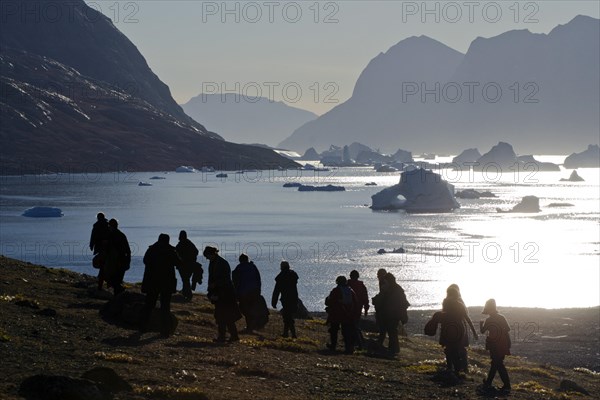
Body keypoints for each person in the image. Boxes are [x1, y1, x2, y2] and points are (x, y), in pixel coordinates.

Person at [140, 233, 182, 337]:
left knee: (149, 305)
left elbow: (145, 261)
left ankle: (143, 326)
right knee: (165, 307)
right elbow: (179, 263)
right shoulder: (171, 251)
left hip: (152, 282)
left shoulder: (151, 249)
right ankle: (165, 330)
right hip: (166, 283)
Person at [204, 246, 240, 342]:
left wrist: (215, 284)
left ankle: (229, 336)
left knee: (225, 315)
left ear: (212, 254)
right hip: (220, 292)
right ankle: (226, 336)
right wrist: (210, 290)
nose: (207, 258)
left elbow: (226, 279)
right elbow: (211, 278)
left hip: (226, 293)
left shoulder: (222, 263)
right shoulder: (213, 262)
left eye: (207, 256)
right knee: (221, 315)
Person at [440, 286, 478, 375]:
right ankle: (455, 368)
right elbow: (466, 317)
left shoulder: (448, 303)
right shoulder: (452, 303)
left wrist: (474, 331)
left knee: (454, 349)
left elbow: (466, 317)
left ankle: (457, 368)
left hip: (454, 329)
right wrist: (474, 331)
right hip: (453, 329)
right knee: (452, 349)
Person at [480, 299, 511, 393]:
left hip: (493, 344)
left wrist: (481, 324)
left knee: (498, 364)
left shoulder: (488, 320)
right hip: (503, 343)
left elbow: (482, 331)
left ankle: (507, 385)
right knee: (496, 363)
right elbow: (508, 329)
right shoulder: (501, 317)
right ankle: (489, 382)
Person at [374, 273, 409, 355]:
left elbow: (403, 303)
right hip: (389, 314)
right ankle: (392, 348)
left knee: (391, 331)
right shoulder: (396, 289)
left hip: (391, 314)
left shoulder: (393, 289)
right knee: (390, 331)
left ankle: (393, 349)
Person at [325, 276, 360, 354]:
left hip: (336, 313)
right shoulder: (351, 291)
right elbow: (356, 303)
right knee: (347, 331)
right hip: (348, 314)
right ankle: (348, 347)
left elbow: (329, 301)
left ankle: (333, 346)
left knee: (334, 330)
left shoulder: (336, 290)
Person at [232, 253, 262, 333]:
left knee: (244, 309)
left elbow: (235, 282)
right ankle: (251, 326)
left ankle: (250, 326)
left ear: (240, 260)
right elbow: (258, 279)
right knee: (251, 308)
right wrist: (258, 291)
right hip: (254, 292)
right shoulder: (253, 267)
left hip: (243, 292)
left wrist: (236, 293)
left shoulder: (238, 268)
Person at [271, 261, 299, 338]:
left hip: (286, 299)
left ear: (281, 267)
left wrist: (274, 302)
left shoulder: (281, 277)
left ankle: (292, 334)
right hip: (294, 298)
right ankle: (286, 333)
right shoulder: (293, 275)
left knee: (287, 316)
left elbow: (276, 291)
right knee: (288, 316)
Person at [104, 218, 131, 295]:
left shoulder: (110, 236)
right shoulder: (121, 235)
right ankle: (118, 293)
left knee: (112, 278)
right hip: (121, 260)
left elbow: (107, 249)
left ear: (110, 226)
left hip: (114, 261)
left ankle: (118, 292)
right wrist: (128, 261)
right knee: (117, 279)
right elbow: (128, 250)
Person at [175, 230, 199, 301]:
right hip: (190, 265)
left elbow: (177, 254)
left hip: (183, 266)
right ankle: (186, 293)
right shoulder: (189, 243)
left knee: (185, 280)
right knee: (186, 280)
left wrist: (184, 259)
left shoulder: (180, 245)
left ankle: (188, 295)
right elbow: (196, 252)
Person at [348, 270, 369, 349]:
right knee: (355, 325)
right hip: (358, 308)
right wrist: (366, 308)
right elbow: (365, 298)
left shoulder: (347, 284)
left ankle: (358, 343)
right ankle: (359, 343)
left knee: (350, 326)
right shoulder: (361, 285)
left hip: (348, 308)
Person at [89, 212, 109, 290]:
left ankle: (102, 276)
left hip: (100, 246)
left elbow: (93, 235)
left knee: (102, 261)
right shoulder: (107, 224)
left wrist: (91, 245)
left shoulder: (96, 225)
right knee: (104, 260)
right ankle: (103, 275)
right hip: (107, 246)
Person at [372, 268, 388, 344]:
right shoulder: (385, 282)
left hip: (385, 306)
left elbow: (383, 293)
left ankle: (381, 340)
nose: (377, 276)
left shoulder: (383, 282)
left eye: (379, 275)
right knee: (382, 323)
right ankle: (381, 339)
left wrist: (377, 299)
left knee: (382, 323)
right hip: (385, 305)